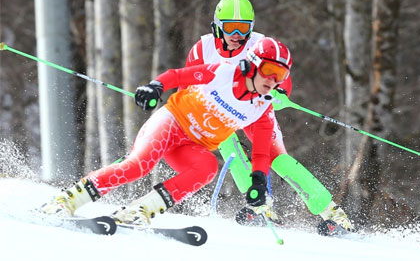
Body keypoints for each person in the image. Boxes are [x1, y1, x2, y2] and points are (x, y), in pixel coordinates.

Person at [40, 37, 293, 227]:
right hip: (171, 123)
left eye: (280, 75)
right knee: (138, 166)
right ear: (252, 65)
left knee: (207, 168)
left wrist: (259, 181)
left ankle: (141, 210)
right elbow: (178, 76)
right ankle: (68, 200)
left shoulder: (262, 108)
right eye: (270, 70)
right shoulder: (224, 72)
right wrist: (155, 87)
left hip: (192, 147)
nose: (273, 80)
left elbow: (260, 152)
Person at [183, 0, 354, 235]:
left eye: (243, 28)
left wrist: (281, 92)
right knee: (224, 140)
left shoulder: (260, 45)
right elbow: (187, 84)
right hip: (221, 110)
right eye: (229, 27)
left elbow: (283, 77)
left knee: (277, 158)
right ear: (217, 26)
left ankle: (333, 213)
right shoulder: (203, 48)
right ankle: (261, 206)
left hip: (255, 110)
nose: (236, 34)